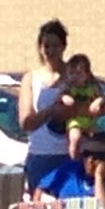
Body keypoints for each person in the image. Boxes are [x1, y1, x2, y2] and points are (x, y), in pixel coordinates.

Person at [17, 18, 73, 191]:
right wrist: (52, 110)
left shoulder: (74, 76)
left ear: (64, 46)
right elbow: (26, 122)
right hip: (40, 156)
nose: (50, 50)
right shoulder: (31, 79)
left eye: (55, 45)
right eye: (46, 46)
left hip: (68, 155)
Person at [32, 129, 105, 209]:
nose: (90, 160)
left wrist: (99, 177)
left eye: (97, 156)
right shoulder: (70, 171)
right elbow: (40, 191)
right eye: (86, 154)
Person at [60, 52, 105, 160]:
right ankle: (74, 158)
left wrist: (97, 102)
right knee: (75, 137)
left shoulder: (92, 87)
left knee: (100, 142)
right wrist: (65, 98)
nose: (75, 77)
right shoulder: (69, 88)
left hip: (89, 121)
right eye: (71, 73)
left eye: (78, 73)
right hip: (75, 121)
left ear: (87, 74)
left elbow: (102, 97)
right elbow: (60, 96)